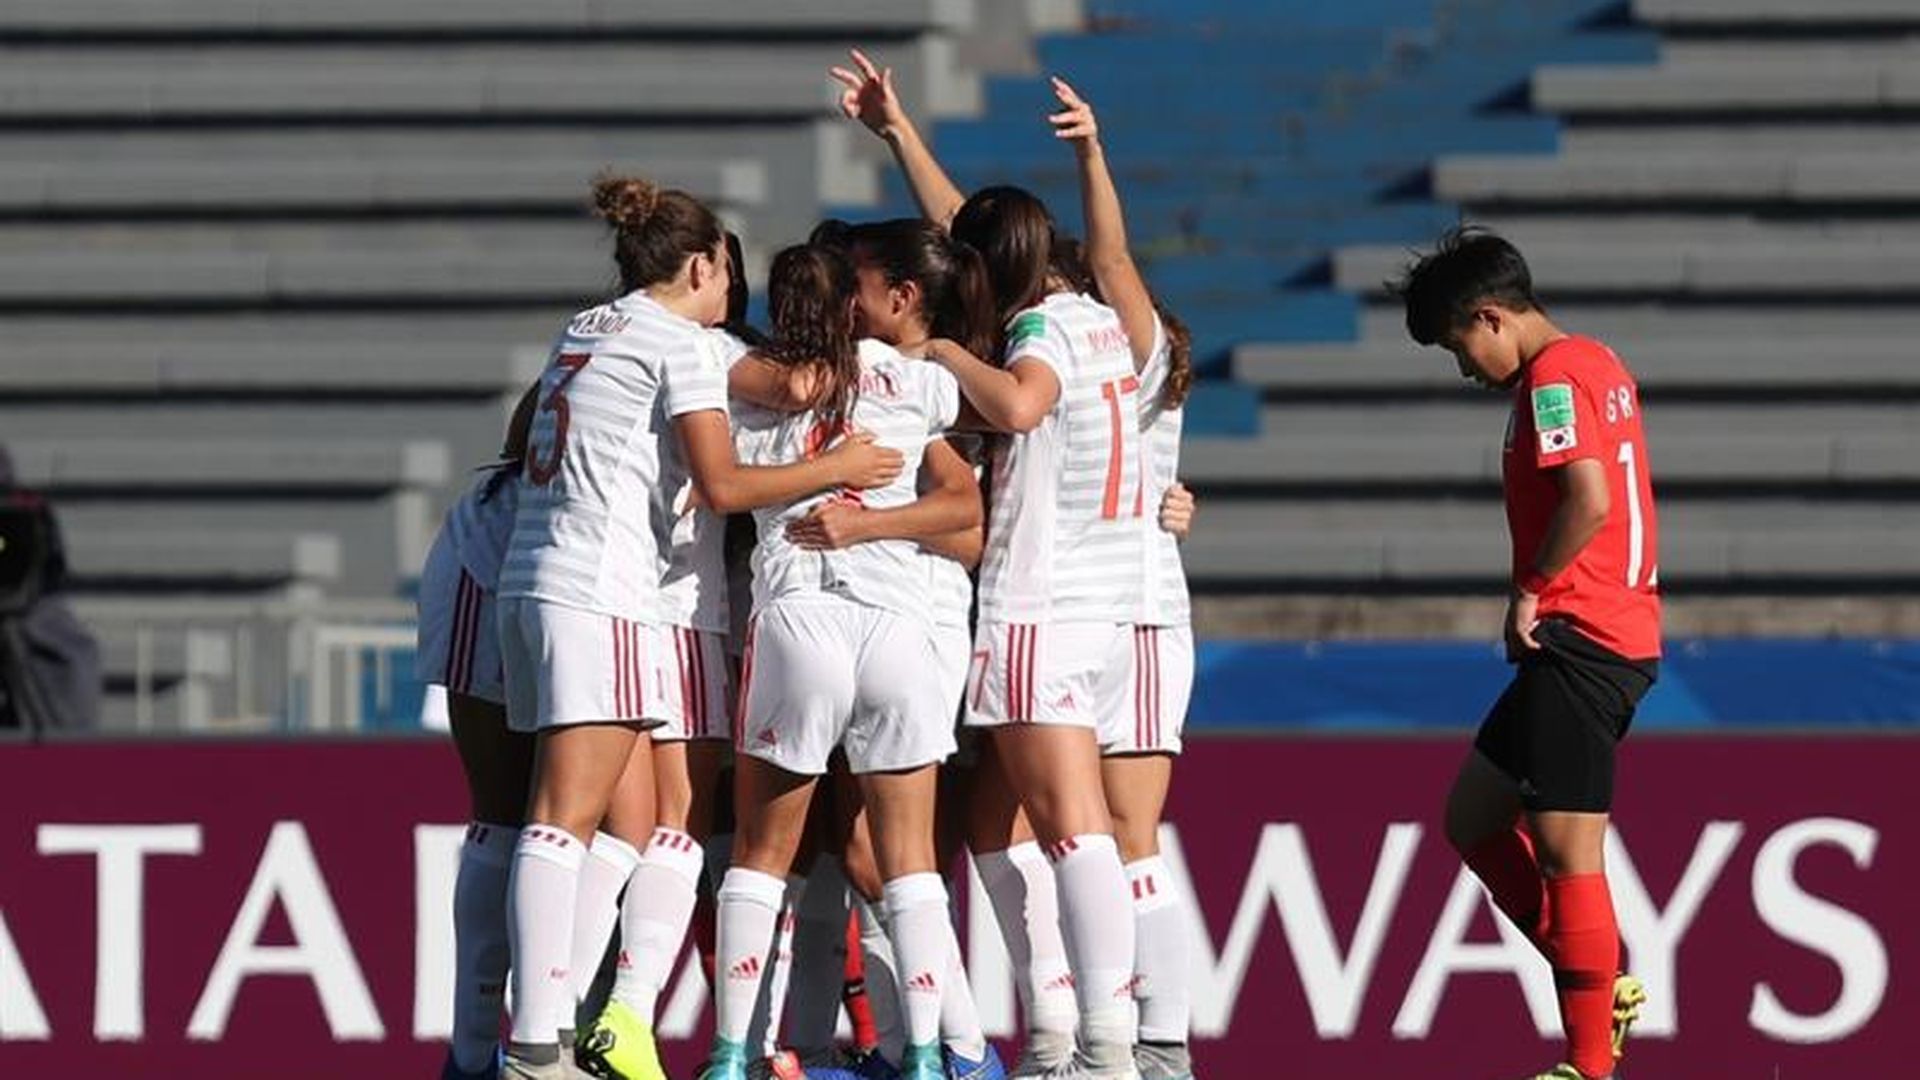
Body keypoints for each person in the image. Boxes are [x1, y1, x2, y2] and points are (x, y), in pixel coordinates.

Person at [494, 175, 903, 1080]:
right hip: (599, 591)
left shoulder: (590, 327)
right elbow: (725, 481)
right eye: (727, 272)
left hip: (573, 584)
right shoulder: (680, 342)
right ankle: (532, 1044)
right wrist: (834, 459)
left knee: (647, 820)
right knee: (563, 815)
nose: (733, 293)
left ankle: (596, 1026)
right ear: (700, 266)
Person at [698, 240, 976, 1080]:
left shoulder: (739, 375)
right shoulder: (920, 382)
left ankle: (731, 1054)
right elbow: (963, 495)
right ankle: (927, 1053)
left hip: (799, 617)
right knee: (909, 859)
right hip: (896, 625)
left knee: (761, 853)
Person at [1395, 227, 1660, 1080]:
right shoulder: (1596, 361)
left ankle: (1588, 1063)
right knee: (1471, 818)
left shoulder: (1551, 380)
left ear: (1491, 317)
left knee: (1564, 851)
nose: (1465, 367)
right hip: (1591, 634)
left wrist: (1532, 589)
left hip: (1583, 636)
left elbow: (1585, 499)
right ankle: (1596, 977)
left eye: (1459, 346)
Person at [1048, 78, 1201, 1080]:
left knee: (1130, 833)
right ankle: (1099, 1033)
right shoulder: (1068, 358)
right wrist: (900, 136)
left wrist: (1093, 152)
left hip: (1142, 617)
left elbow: (1107, 257)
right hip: (1083, 618)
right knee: (1088, 835)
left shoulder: (1133, 352)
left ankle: (1162, 1040)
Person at [415, 392, 538, 1080]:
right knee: (508, 813)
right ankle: (472, 1055)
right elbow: (520, 440)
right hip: (501, 568)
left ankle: (558, 1038)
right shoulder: (608, 336)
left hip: (611, 593)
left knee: (620, 831)